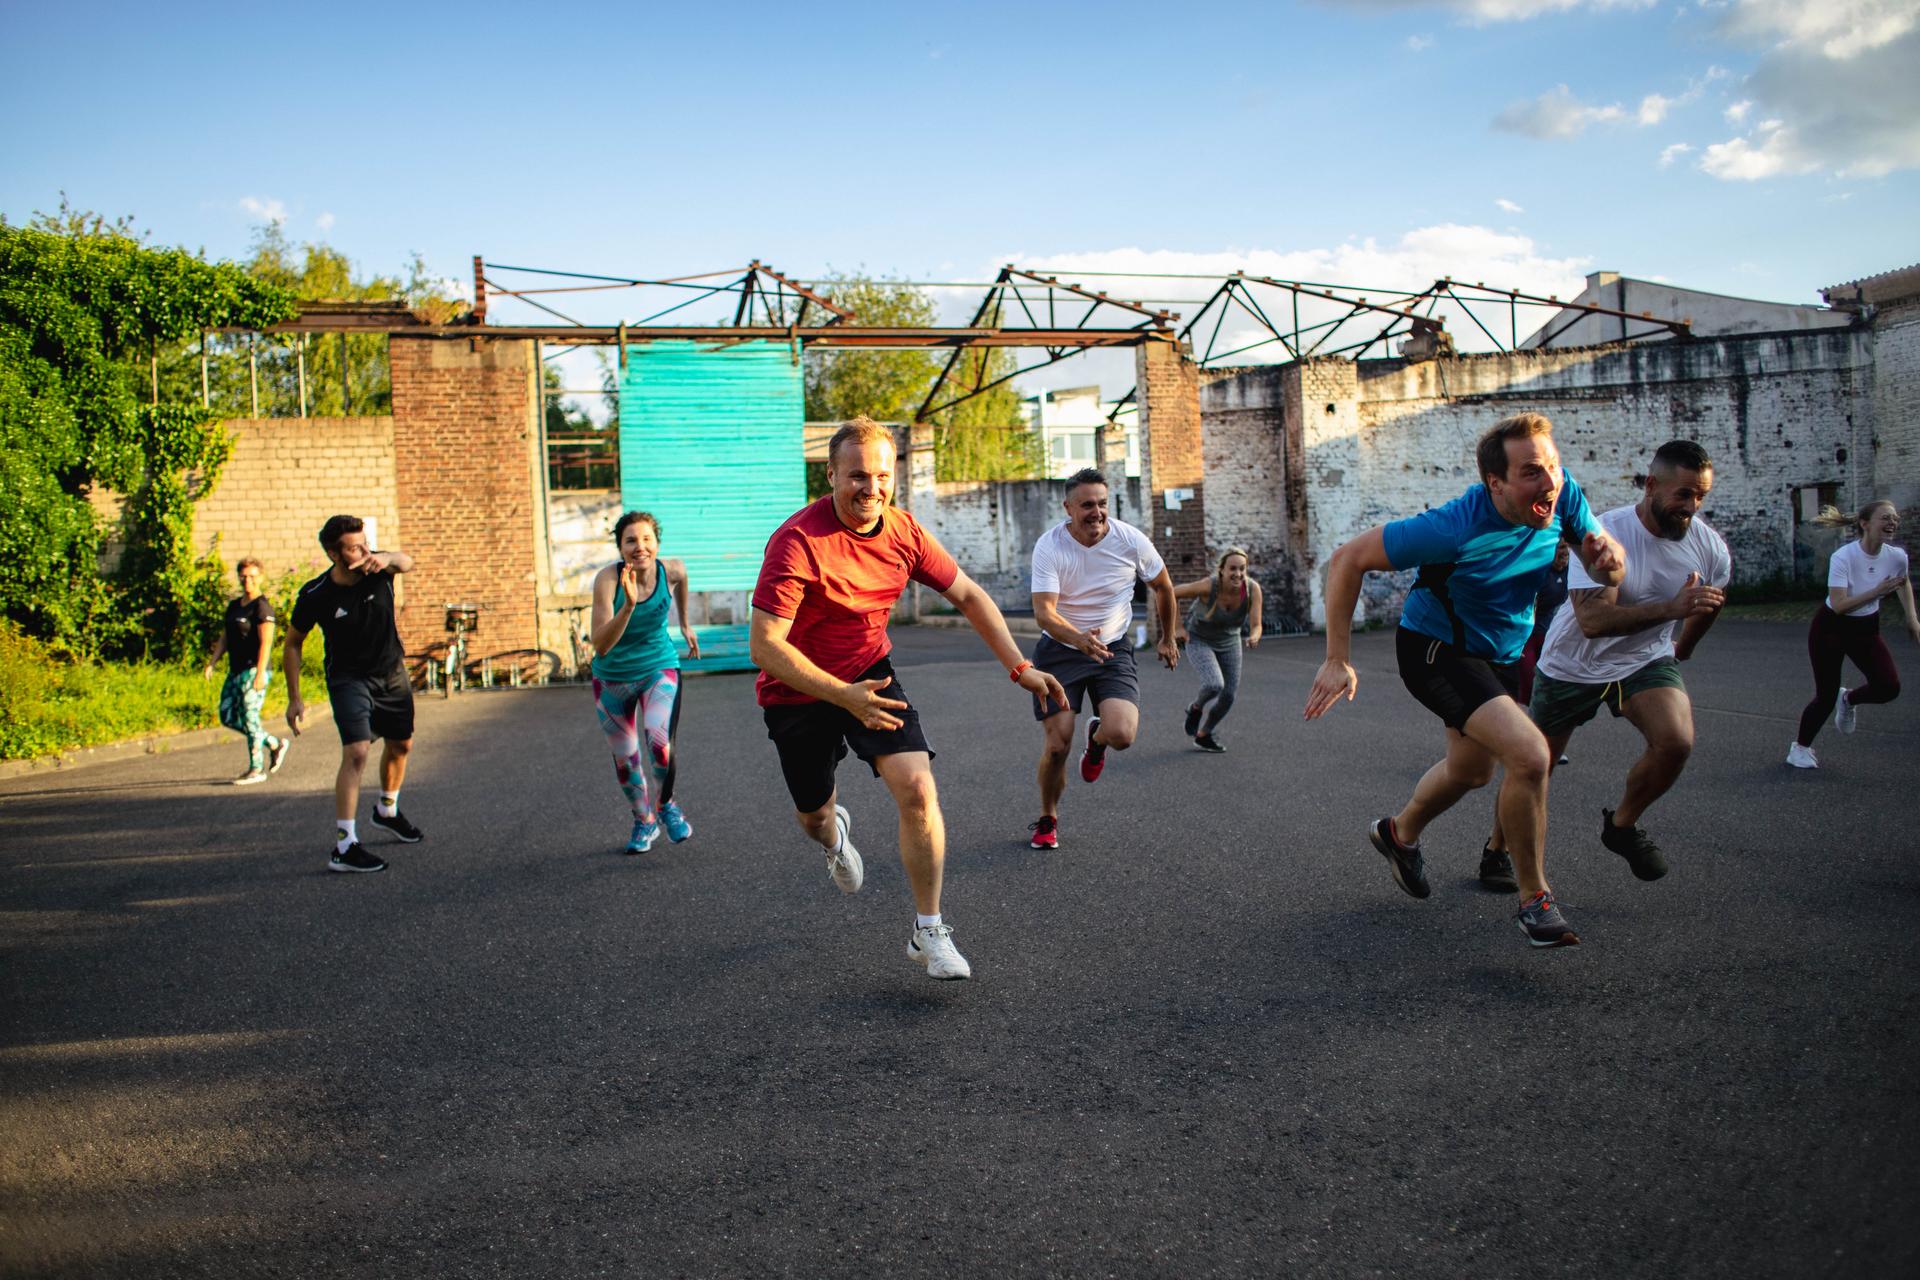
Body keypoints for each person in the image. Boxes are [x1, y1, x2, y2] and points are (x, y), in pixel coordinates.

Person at [750, 416, 1065, 981]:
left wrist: (1021, 667)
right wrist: (841, 696)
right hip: (797, 689)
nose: (870, 488)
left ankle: (929, 930)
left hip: (869, 674)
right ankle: (834, 835)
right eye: (856, 476)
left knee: (919, 789)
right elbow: (766, 647)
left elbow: (968, 594)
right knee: (814, 817)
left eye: (880, 475)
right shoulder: (797, 542)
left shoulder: (904, 533)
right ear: (831, 475)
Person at [1303, 412, 1624, 949]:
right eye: (1530, 473)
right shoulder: (1453, 526)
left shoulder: (1563, 497)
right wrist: (1338, 657)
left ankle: (1398, 834)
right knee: (1531, 754)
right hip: (1436, 650)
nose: (1547, 482)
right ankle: (1535, 899)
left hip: (1497, 652)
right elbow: (1347, 559)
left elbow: (1610, 568)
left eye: (1552, 466)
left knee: (1470, 771)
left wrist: (1610, 561)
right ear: (1495, 484)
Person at [1482, 440, 1729, 890]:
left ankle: (1622, 825)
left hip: (1642, 660)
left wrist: (1684, 648)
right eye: (1683, 495)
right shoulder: (1602, 536)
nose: (1691, 507)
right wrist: (1674, 611)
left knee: (1675, 742)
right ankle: (1497, 850)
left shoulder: (1709, 548)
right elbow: (1594, 620)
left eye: (1701, 496)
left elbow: (1709, 603)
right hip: (1572, 664)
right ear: (1651, 485)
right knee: (1536, 765)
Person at [1025, 467, 1180, 851]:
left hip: (1112, 648)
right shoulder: (1051, 545)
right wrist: (1078, 639)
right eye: (1087, 505)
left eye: (1103, 504)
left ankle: (1096, 742)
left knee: (1123, 735)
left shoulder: (1130, 540)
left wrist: (1166, 637)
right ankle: (1048, 818)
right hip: (1061, 651)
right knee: (1057, 745)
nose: (1097, 512)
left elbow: (1162, 586)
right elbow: (1045, 613)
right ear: (1068, 507)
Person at [283, 515, 421, 874]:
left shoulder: (379, 567)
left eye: (365, 542)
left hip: (392, 674)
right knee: (357, 752)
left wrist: (387, 558)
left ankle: (386, 810)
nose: (363, 550)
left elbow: (407, 561)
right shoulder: (317, 594)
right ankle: (345, 845)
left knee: (401, 745)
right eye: (353, 547)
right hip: (348, 680)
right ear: (333, 553)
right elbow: (293, 643)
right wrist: (294, 697)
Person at [589, 511, 701, 854]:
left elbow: (683, 580)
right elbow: (601, 644)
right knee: (626, 757)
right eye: (631, 541)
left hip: (658, 666)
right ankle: (644, 821)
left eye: (647, 539)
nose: (640, 547)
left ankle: (666, 805)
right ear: (620, 548)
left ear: (657, 542)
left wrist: (684, 623)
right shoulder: (608, 580)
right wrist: (628, 608)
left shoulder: (671, 568)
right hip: (612, 679)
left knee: (659, 740)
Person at [1788, 499, 1916, 768]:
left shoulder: (1896, 557)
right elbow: (1839, 605)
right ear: (1864, 523)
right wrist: (1877, 592)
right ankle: (1799, 749)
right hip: (1830, 628)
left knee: (1888, 687)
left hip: (1866, 628)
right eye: (1885, 517)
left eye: (1894, 518)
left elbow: (1902, 583)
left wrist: (1912, 619)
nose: (1892, 522)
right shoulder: (1844, 557)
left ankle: (1848, 699)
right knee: (1825, 696)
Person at [203, 556, 291, 785]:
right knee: (228, 716)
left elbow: (266, 642)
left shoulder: (262, 607)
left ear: (260, 577)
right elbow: (225, 638)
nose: (247, 581)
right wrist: (212, 662)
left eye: (252, 576)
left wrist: (261, 672)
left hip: (255, 669)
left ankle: (256, 769)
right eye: (243, 576)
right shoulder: (234, 606)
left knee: (250, 717)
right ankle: (273, 743)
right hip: (235, 670)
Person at [1172, 547, 1263, 753]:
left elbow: (1257, 624)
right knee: (1214, 684)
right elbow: (1173, 593)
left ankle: (1204, 735)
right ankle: (1196, 707)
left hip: (1230, 642)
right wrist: (1177, 627)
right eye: (1232, 568)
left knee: (1229, 695)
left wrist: (1255, 636)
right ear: (1221, 570)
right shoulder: (1209, 586)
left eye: (1242, 569)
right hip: (1199, 639)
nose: (1238, 574)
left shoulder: (1251, 590)